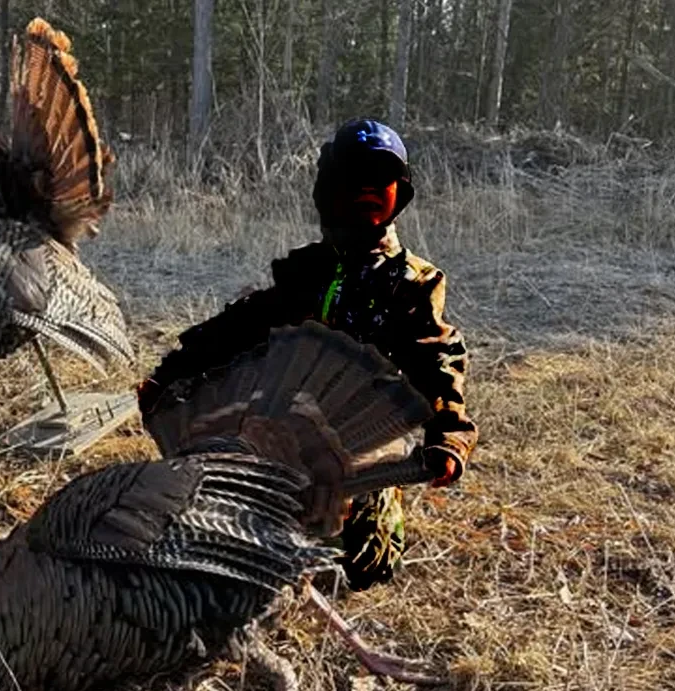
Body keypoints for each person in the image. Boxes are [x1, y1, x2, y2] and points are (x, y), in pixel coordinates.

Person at [137, 118, 478, 592]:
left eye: (380, 179)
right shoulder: (305, 273)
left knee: (361, 564)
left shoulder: (412, 284)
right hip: (280, 431)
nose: (367, 189)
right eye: (354, 177)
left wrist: (449, 433)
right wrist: (170, 376)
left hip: (359, 445)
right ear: (329, 190)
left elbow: (437, 357)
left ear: (399, 193)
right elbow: (237, 329)